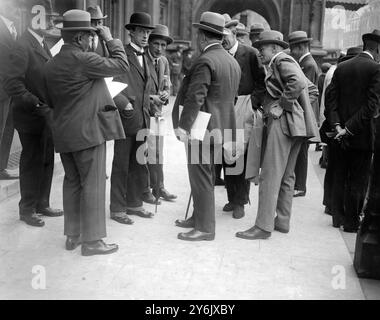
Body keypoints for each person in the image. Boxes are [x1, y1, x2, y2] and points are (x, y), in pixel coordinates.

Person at [44, 9, 129, 255]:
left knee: (72, 184)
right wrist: (109, 37)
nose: (92, 40)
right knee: (92, 185)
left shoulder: (51, 64)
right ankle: (92, 241)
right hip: (88, 133)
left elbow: (50, 100)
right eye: (90, 35)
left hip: (64, 133)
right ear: (81, 37)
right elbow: (121, 64)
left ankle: (73, 235)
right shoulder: (84, 60)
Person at [236, 30, 319, 240]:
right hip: (295, 127)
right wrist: (298, 110)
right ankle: (282, 221)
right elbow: (311, 90)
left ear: (275, 48)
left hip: (282, 125)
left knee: (270, 175)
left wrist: (282, 106)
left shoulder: (281, 60)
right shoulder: (285, 61)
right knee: (287, 176)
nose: (259, 52)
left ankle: (263, 226)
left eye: (262, 48)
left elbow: (298, 83)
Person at [172, 11, 241, 241]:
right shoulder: (232, 61)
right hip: (222, 128)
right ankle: (197, 217)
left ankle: (205, 228)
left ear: (202, 36)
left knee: (200, 177)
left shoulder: (205, 60)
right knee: (206, 176)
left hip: (202, 129)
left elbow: (196, 97)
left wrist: (183, 126)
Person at [4, 0, 63, 227]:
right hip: (31, 116)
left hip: (45, 116)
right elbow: (13, 84)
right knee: (31, 161)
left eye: (49, 16)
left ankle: (42, 203)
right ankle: (27, 208)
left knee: (46, 158)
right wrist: (37, 104)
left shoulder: (42, 43)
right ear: (33, 18)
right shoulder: (22, 44)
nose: (49, 20)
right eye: (45, 16)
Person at [325, 30, 380, 232]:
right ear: (378, 49)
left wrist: (338, 126)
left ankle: (336, 217)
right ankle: (350, 222)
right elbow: (371, 107)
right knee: (358, 179)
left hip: (339, 135)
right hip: (361, 137)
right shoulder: (376, 69)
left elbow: (331, 101)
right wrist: (349, 129)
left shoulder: (342, 67)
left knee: (339, 174)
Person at [110, 12, 155, 224]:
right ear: (131, 33)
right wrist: (123, 103)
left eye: (147, 32)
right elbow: (108, 84)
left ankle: (135, 204)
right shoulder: (122, 55)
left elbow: (146, 86)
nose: (145, 36)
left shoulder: (147, 57)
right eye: (141, 32)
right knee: (121, 165)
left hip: (143, 118)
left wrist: (154, 100)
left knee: (138, 163)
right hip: (126, 118)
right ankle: (118, 209)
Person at [221, 16, 266, 219]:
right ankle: (232, 198)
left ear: (234, 33)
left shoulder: (250, 53)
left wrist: (253, 104)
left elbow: (261, 82)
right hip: (225, 110)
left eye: (225, 35)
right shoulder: (219, 54)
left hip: (245, 108)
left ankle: (241, 201)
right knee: (227, 155)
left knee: (243, 155)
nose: (222, 40)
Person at [142, 24, 177, 202]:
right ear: (149, 43)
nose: (159, 48)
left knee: (157, 152)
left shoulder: (163, 61)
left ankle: (159, 187)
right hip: (142, 113)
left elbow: (167, 83)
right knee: (143, 152)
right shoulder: (141, 60)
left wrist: (165, 92)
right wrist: (152, 98)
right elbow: (136, 89)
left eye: (163, 45)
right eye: (156, 44)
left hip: (157, 114)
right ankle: (144, 190)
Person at [289, 31, 320, 198]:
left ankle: (300, 186)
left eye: (293, 49)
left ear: (300, 47)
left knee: (301, 152)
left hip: (304, 115)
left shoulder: (308, 64)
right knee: (300, 150)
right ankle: (298, 184)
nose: (292, 53)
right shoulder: (306, 63)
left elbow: (306, 92)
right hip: (303, 114)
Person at [0, 0, 19, 180]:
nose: (18, 10)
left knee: (7, 128)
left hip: (11, 88)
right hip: (2, 88)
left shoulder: (13, 27)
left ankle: (1, 167)